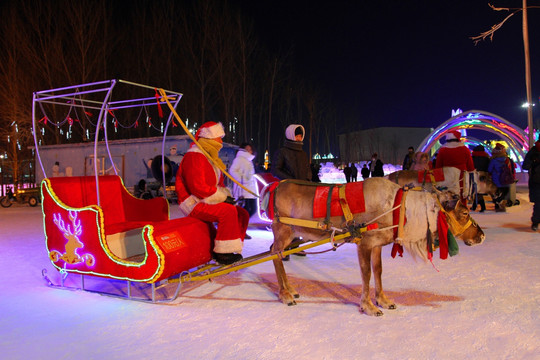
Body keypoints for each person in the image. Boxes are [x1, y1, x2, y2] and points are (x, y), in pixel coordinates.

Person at [175, 121, 250, 265]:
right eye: (219, 138)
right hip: (192, 202)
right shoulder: (194, 156)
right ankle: (222, 253)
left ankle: (230, 246)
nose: (221, 142)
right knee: (227, 212)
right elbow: (197, 187)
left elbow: (219, 184)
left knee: (242, 213)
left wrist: (226, 196)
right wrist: (221, 198)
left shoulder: (211, 158)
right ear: (209, 139)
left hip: (205, 199)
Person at [272, 124, 311, 259]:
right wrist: (290, 180)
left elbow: (307, 170)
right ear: (290, 135)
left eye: (300, 135)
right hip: (288, 191)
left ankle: (294, 246)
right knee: (287, 219)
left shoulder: (303, 153)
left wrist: (309, 180)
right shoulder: (282, 151)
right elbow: (275, 169)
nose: (299, 138)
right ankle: (280, 246)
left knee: (300, 218)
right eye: (297, 135)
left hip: (302, 190)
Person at [434, 131, 475, 204]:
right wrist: (471, 172)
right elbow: (470, 165)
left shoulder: (443, 150)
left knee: (447, 195)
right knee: (461, 194)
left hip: (447, 177)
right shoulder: (464, 149)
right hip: (461, 176)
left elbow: (438, 166)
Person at [230, 142, 257, 239]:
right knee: (245, 212)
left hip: (250, 190)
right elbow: (232, 171)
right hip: (243, 191)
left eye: (250, 149)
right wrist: (243, 180)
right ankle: (240, 230)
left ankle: (240, 229)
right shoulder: (240, 159)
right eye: (247, 149)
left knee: (252, 210)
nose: (249, 151)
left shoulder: (248, 160)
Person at [487, 143, 512, 212]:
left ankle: (497, 204)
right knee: (505, 191)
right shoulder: (506, 159)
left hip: (496, 179)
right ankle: (501, 202)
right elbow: (510, 168)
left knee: (496, 192)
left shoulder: (493, 160)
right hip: (505, 178)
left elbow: (489, 169)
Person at [522, 140, 540, 230]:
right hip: (536, 181)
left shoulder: (532, 152)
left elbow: (525, 166)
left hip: (536, 181)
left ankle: (535, 223)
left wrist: (533, 162)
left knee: (538, 203)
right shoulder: (533, 152)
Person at [471, 144, 490, 212]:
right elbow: (489, 167)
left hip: (475, 174)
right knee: (479, 192)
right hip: (483, 175)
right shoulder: (486, 158)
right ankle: (477, 206)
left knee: (476, 191)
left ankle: (478, 206)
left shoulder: (473, 158)